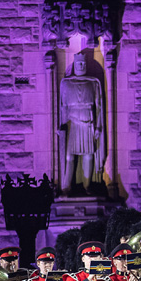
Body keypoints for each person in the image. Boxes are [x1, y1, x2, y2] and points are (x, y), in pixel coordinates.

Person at [58, 52, 105, 195]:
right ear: (74, 64)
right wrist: (61, 125)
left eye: (83, 63)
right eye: (79, 63)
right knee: (69, 157)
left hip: (88, 124)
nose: (82, 66)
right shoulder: (66, 84)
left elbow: (99, 107)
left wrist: (98, 126)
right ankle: (66, 186)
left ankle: (87, 185)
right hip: (73, 124)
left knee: (89, 155)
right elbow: (62, 107)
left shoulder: (93, 83)